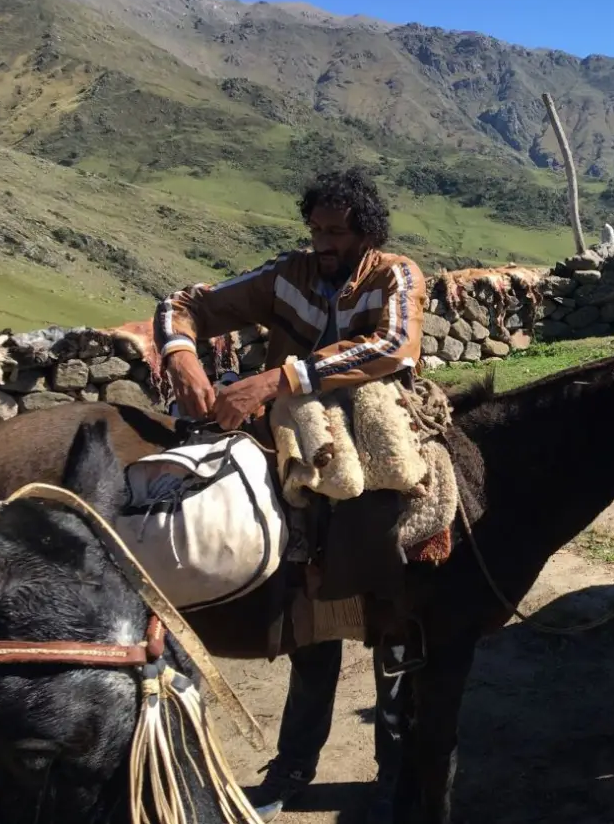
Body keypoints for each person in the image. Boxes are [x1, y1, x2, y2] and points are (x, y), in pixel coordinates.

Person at [153, 165, 427, 816]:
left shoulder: (397, 274)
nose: (324, 242)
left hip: (373, 439)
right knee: (310, 620)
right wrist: (182, 356)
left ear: (366, 230)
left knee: (391, 607)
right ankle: (295, 764)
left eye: (336, 231)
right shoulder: (289, 276)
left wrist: (279, 378)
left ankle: (397, 765)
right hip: (296, 445)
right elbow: (184, 302)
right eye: (317, 230)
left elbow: (394, 345)